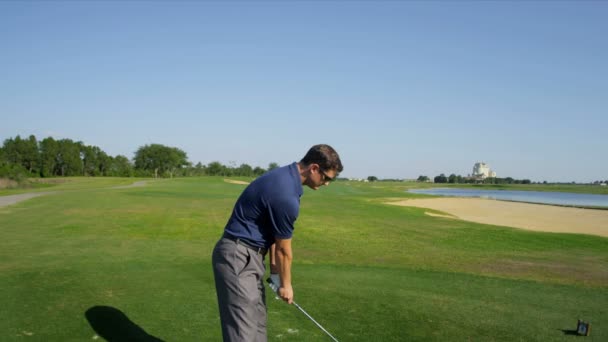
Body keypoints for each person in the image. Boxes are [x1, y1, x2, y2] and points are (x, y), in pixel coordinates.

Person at [212, 144, 343, 342]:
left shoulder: (287, 179)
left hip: (251, 256)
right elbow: (283, 250)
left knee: (257, 327)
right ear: (314, 168)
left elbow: (273, 233)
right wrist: (286, 286)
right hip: (238, 256)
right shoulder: (285, 193)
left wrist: (275, 274)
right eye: (326, 178)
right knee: (243, 333)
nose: (326, 183)